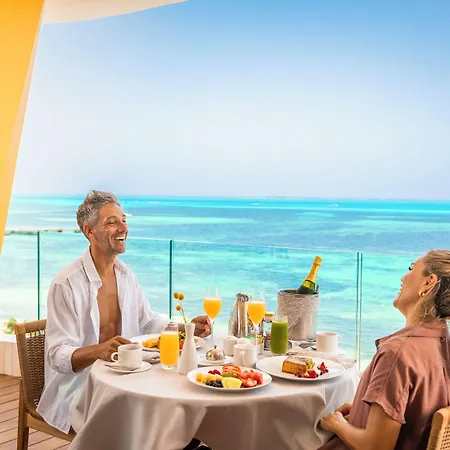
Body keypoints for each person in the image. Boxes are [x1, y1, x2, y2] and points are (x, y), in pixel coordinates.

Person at [37, 190, 211, 434]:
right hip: (81, 386)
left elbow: (148, 322)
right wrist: (99, 350)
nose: (123, 228)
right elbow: (57, 354)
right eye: (112, 222)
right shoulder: (66, 284)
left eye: (124, 220)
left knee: (179, 399)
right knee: (146, 418)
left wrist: (185, 329)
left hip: (128, 376)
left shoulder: (125, 274)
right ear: (89, 231)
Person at [319, 250, 450, 450]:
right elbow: (419, 416)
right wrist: (362, 411)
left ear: (428, 283)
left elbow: (376, 447)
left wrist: (337, 424)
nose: (403, 277)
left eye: (411, 268)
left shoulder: (397, 353)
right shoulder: (443, 344)